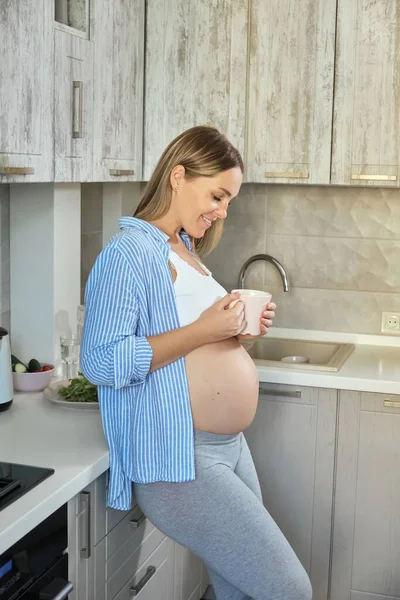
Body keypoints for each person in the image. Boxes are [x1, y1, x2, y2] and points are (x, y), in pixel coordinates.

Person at [81, 126, 312, 600]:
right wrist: (207, 331)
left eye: (229, 200)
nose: (223, 210)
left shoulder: (184, 248)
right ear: (179, 176)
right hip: (179, 455)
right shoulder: (128, 255)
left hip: (227, 447)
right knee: (289, 589)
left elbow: (195, 349)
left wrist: (238, 337)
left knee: (239, 587)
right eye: (218, 195)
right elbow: (102, 360)